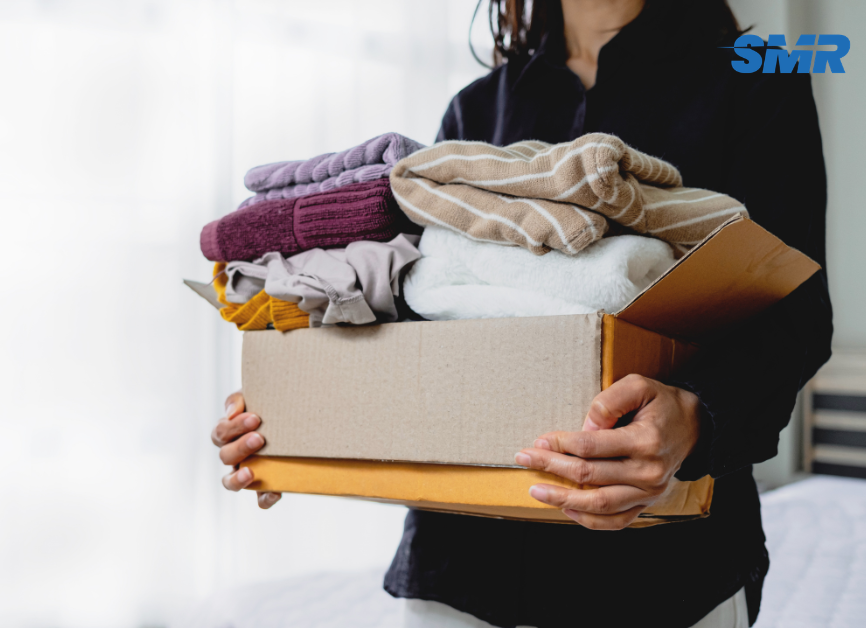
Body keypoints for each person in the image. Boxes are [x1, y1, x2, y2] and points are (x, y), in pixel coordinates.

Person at [209, 0, 833, 626]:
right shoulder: (476, 110)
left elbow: (795, 317)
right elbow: (420, 312)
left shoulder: (759, 82)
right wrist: (297, 413)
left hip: (666, 570)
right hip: (459, 567)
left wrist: (696, 417)